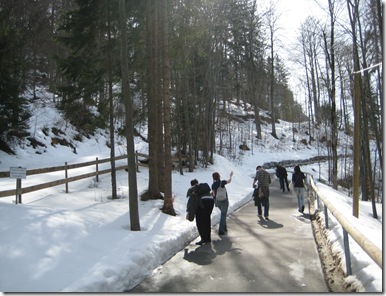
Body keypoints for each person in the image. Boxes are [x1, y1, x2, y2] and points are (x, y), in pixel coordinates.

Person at [211, 171, 233, 236]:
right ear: (219, 176)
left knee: (223, 214)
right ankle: (221, 230)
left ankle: (224, 228)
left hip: (218, 202)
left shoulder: (213, 185)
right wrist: (231, 176)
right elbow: (229, 181)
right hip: (224, 201)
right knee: (223, 215)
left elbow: (214, 194)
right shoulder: (222, 182)